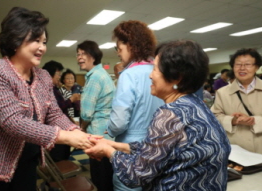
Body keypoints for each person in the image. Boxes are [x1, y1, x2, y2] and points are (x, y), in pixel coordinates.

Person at [0, 7, 97, 191]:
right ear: (15, 39)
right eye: (36, 40)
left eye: (44, 41)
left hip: (26, 163)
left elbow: (54, 113)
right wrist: (66, 137)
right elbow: (13, 122)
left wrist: (77, 133)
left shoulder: (42, 76)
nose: (43, 47)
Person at [85, 40, 231, 191]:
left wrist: (108, 151)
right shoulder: (197, 105)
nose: (150, 75)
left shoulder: (170, 114)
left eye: (155, 69)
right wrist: (117, 145)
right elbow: (158, 149)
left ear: (176, 77)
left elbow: (136, 175)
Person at [108, 20, 164, 191]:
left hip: (131, 148)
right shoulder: (160, 71)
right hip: (158, 146)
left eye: (119, 48)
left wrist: (109, 129)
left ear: (131, 45)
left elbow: (119, 123)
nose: (118, 53)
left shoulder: (128, 75)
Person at [77, 40, 115, 191]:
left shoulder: (94, 78)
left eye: (83, 54)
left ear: (93, 56)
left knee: (101, 179)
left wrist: (81, 129)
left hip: (98, 136)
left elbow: (86, 113)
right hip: (107, 135)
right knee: (107, 176)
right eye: (77, 54)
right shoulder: (102, 74)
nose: (79, 57)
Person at [211, 48, 262, 154]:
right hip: (236, 150)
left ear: (256, 67)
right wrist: (232, 120)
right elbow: (214, 118)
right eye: (238, 64)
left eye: (247, 64)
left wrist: (253, 120)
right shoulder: (222, 92)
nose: (242, 68)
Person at [42, 61, 80, 162]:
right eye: (58, 74)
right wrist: (71, 100)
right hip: (57, 129)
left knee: (63, 154)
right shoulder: (51, 90)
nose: (59, 77)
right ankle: (62, 175)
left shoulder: (53, 89)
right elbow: (58, 109)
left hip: (62, 126)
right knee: (59, 156)